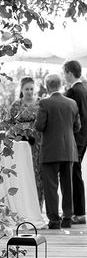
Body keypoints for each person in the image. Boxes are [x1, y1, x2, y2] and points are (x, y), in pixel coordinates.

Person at [35, 74, 80, 229]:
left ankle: (54, 221)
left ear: (47, 86)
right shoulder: (72, 103)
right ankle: (67, 218)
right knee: (68, 185)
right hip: (68, 149)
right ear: (61, 85)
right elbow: (77, 127)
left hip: (50, 150)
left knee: (51, 186)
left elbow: (40, 126)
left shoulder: (44, 103)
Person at [63, 60, 87, 225]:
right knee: (76, 174)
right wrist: (86, 135)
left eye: (64, 72)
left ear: (69, 73)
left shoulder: (72, 92)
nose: (64, 76)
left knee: (74, 175)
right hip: (83, 139)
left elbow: (69, 118)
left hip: (74, 139)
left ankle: (79, 213)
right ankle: (78, 212)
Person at [8, 76, 43, 207]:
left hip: (39, 144)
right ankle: (24, 205)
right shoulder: (16, 105)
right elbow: (10, 126)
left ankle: (38, 205)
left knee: (38, 174)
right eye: (26, 89)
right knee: (24, 173)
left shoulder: (41, 103)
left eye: (31, 89)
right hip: (22, 144)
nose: (29, 91)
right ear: (22, 89)